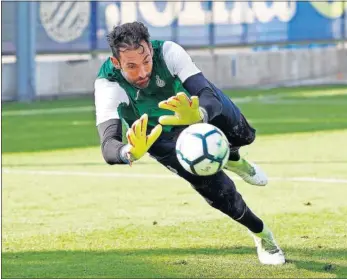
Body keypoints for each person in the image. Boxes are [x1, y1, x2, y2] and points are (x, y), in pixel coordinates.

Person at [94, 21, 285, 265]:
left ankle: (234, 158)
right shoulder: (108, 84)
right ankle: (263, 235)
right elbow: (108, 145)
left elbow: (208, 96)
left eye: (146, 62)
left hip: (195, 109)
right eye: (131, 66)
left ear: (151, 51)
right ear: (116, 63)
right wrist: (128, 151)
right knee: (221, 193)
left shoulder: (169, 52)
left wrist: (199, 116)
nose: (142, 72)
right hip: (158, 136)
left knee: (243, 133)